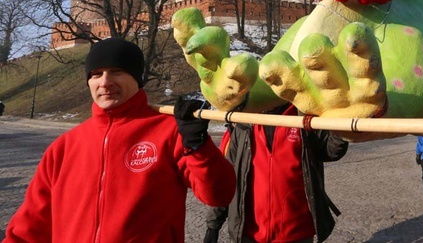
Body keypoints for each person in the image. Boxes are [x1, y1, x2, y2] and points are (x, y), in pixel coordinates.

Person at [5, 37, 236, 242]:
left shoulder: (169, 132)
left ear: (138, 78)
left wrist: (198, 145)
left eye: (117, 72)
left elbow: (218, 195)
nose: (105, 82)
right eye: (96, 74)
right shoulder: (64, 147)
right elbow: (31, 225)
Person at [203, 102, 349, 243]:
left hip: (298, 233)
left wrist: (341, 129)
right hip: (250, 234)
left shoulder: (304, 116)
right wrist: (213, 223)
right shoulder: (244, 123)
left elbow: (331, 151)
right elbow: (227, 177)